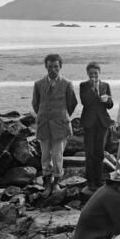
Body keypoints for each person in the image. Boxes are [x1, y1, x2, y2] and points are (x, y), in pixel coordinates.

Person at [32, 53, 78, 197]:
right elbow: (35, 104)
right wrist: (43, 115)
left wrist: (62, 116)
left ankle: (56, 183)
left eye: (56, 66)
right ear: (46, 67)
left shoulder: (67, 84)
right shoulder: (38, 84)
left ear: (60, 67)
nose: (53, 69)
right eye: (50, 66)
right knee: (45, 156)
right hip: (44, 124)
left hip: (60, 125)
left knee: (57, 156)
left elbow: (72, 104)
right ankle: (47, 184)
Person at [79, 62, 114, 191]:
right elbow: (85, 102)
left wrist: (107, 100)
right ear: (87, 74)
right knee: (90, 152)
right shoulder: (83, 85)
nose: (93, 75)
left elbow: (110, 105)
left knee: (99, 152)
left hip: (102, 122)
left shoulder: (106, 85)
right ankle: (90, 181)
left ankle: (99, 180)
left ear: (99, 73)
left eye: (95, 73)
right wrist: (93, 90)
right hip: (89, 122)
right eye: (91, 73)